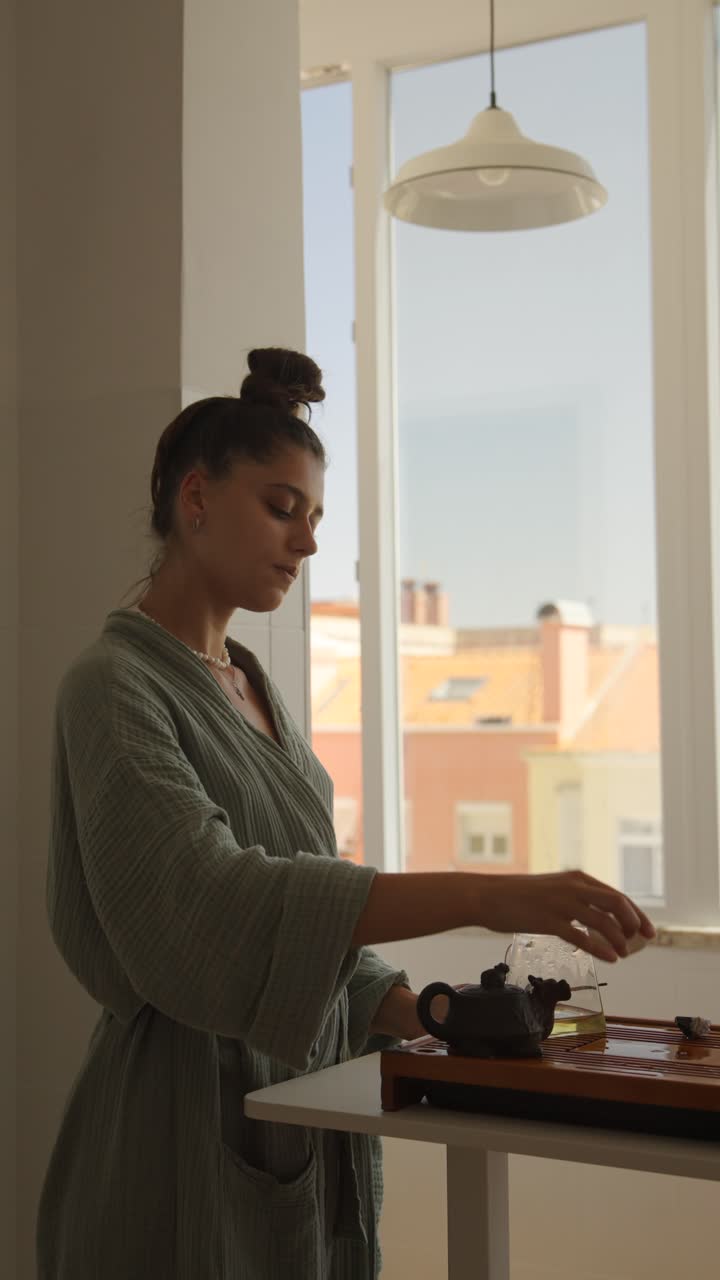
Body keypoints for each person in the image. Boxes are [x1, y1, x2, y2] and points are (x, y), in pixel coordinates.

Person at [36, 348, 655, 1280]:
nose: (309, 542)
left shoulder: (253, 688)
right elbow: (214, 906)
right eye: (283, 509)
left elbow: (317, 932)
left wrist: (428, 1014)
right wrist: (489, 896)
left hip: (295, 1117)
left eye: (316, 517)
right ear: (195, 499)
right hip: (170, 1137)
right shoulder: (112, 688)